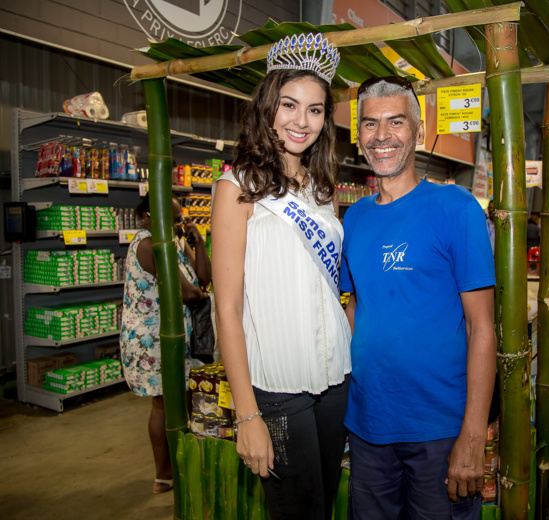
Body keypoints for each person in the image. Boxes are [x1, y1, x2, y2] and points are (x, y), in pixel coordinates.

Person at [340, 76, 496, 519]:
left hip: (439, 429)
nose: (382, 135)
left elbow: (482, 327)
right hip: (368, 425)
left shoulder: (456, 207)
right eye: (370, 124)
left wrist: (473, 436)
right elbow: (356, 305)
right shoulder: (355, 218)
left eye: (396, 122)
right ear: (358, 136)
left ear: (419, 130)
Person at [210, 33, 350, 520]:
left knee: (324, 506)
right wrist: (246, 413)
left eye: (315, 110)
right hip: (277, 387)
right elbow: (226, 308)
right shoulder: (236, 188)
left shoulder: (323, 189)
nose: (301, 121)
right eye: (289, 105)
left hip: (336, 378)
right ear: (268, 107)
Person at [120, 195, 210, 494]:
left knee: (184, 400)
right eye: (172, 219)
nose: (177, 225)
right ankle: (164, 475)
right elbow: (190, 294)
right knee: (164, 404)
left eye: (179, 219)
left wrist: (198, 242)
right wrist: (202, 294)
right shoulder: (149, 245)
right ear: (148, 216)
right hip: (153, 339)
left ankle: (179, 468)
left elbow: (203, 279)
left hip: (178, 336)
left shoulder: (173, 242)